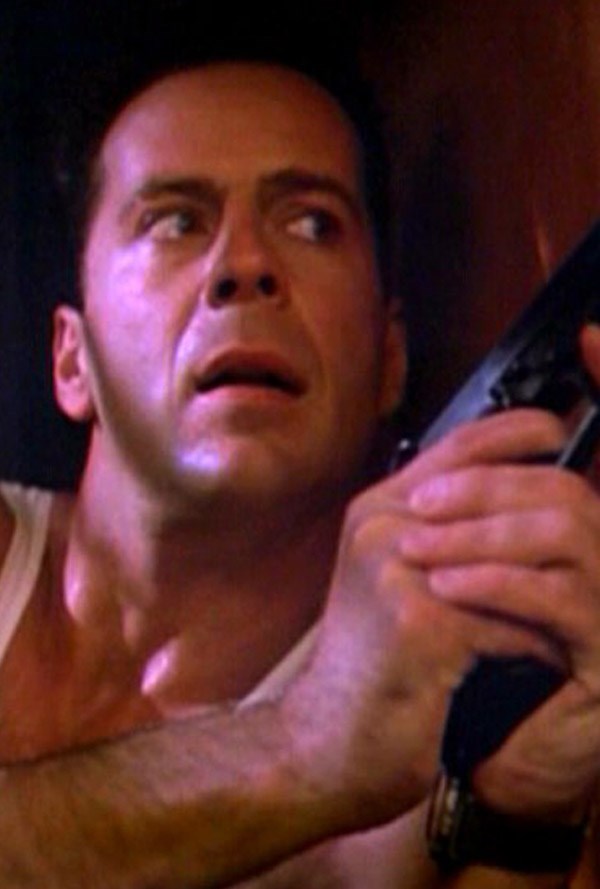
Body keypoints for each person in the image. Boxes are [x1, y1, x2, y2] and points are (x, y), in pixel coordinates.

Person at [1, 37, 600, 889]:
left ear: (389, 357)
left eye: (312, 222)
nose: (244, 266)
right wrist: (301, 742)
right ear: (71, 358)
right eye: (176, 220)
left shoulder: (434, 760)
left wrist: (521, 826)